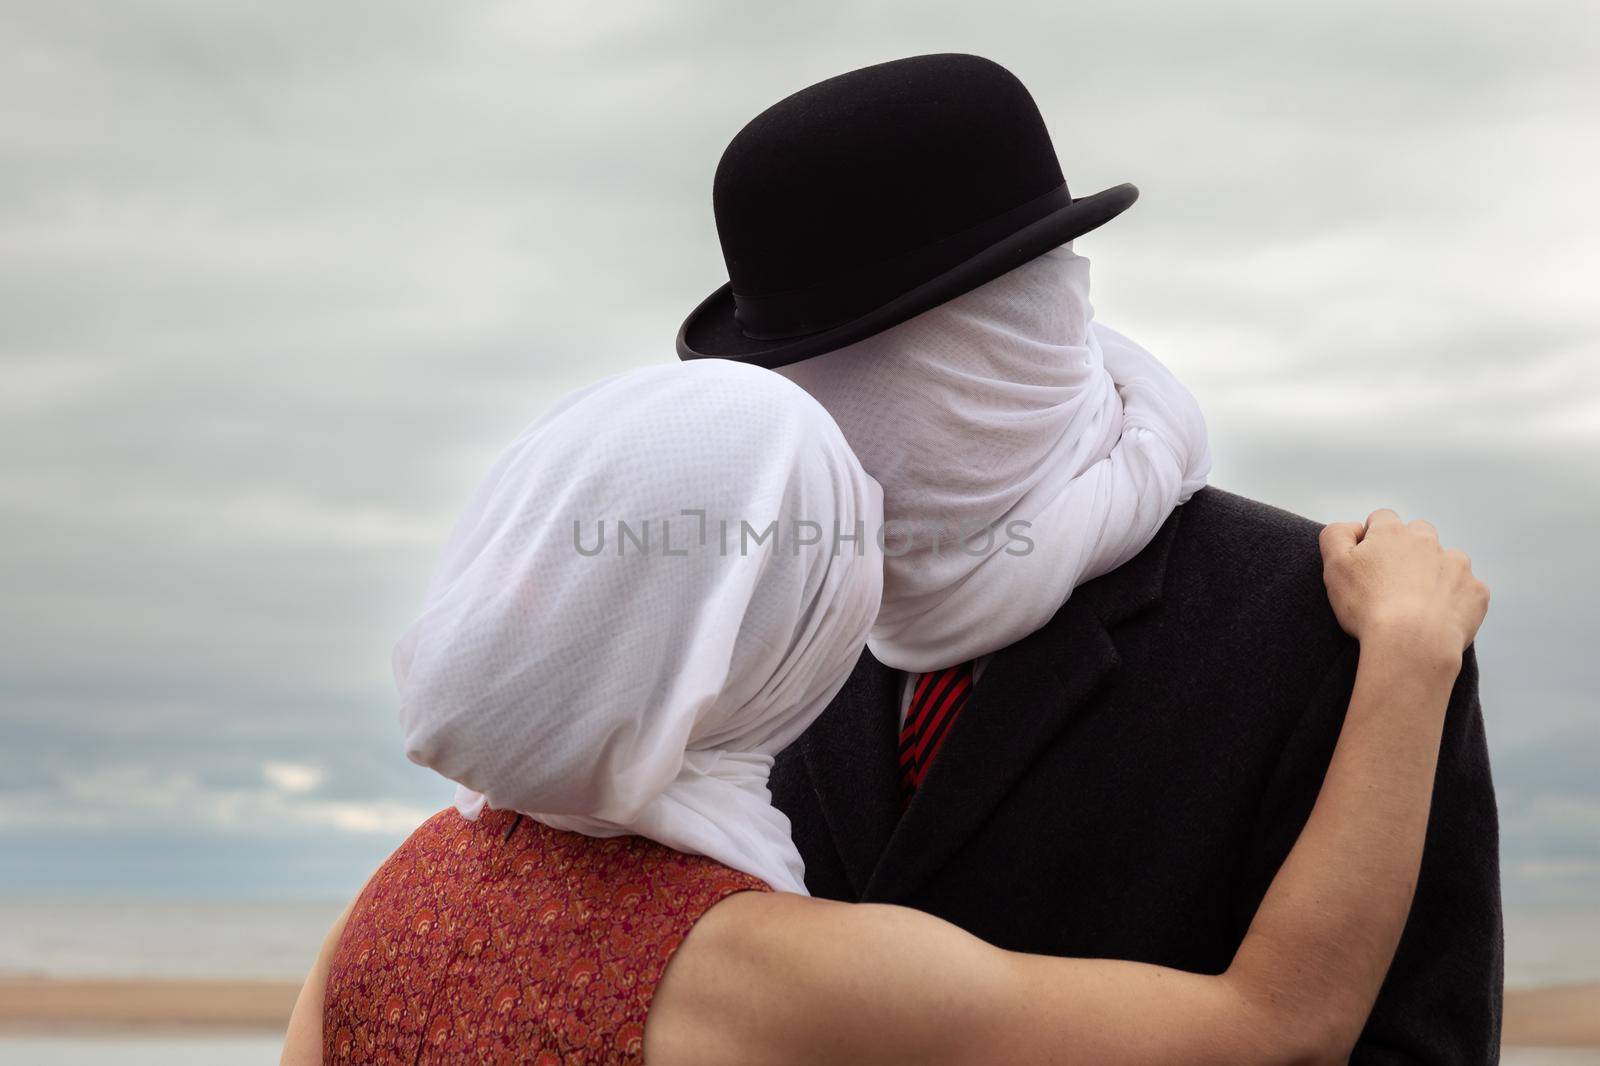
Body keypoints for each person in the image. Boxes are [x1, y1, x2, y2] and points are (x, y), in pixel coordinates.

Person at [282, 358, 1488, 1065]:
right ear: (748, 639)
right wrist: (1408, 660)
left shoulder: (388, 908)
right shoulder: (783, 968)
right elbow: (1280, 1022)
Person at [676, 54, 1502, 1061]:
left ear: (1012, 331)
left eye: (866, 360)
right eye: (794, 376)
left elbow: (1412, 1041)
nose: (820, 426)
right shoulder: (772, 644)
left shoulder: (1332, 629)